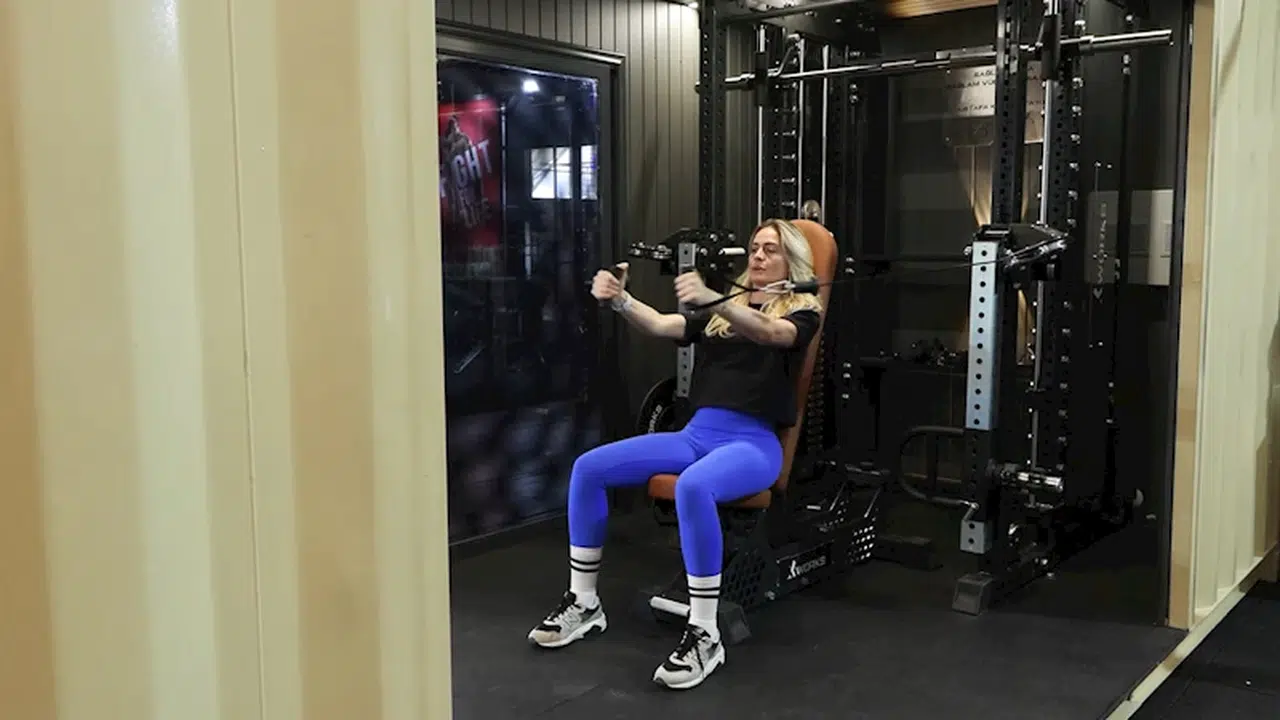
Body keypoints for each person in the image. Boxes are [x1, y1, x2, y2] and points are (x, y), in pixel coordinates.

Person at [527, 219, 824, 690]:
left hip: (752, 444)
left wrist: (713, 299)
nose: (758, 256)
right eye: (754, 247)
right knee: (589, 468)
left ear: (793, 261)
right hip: (696, 435)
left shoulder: (803, 311)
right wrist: (620, 300)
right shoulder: (724, 313)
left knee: (694, 486)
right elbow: (662, 324)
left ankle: (705, 634)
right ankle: (584, 602)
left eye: (771, 249)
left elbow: (771, 334)